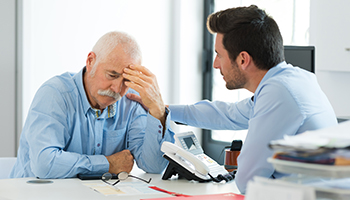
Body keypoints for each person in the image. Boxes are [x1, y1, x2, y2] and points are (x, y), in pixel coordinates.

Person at [127, 5, 338, 193]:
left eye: (219, 54)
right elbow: (227, 114)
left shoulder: (279, 94)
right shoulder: (293, 79)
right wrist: (164, 109)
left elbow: (248, 180)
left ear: (243, 59)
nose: (215, 64)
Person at [10, 31, 175, 179]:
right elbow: (44, 164)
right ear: (90, 61)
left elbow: (154, 167)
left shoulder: (132, 98)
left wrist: (158, 111)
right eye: (112, 75)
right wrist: (107, 164)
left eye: (126, 80)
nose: (118, 89)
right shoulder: (55, 94)